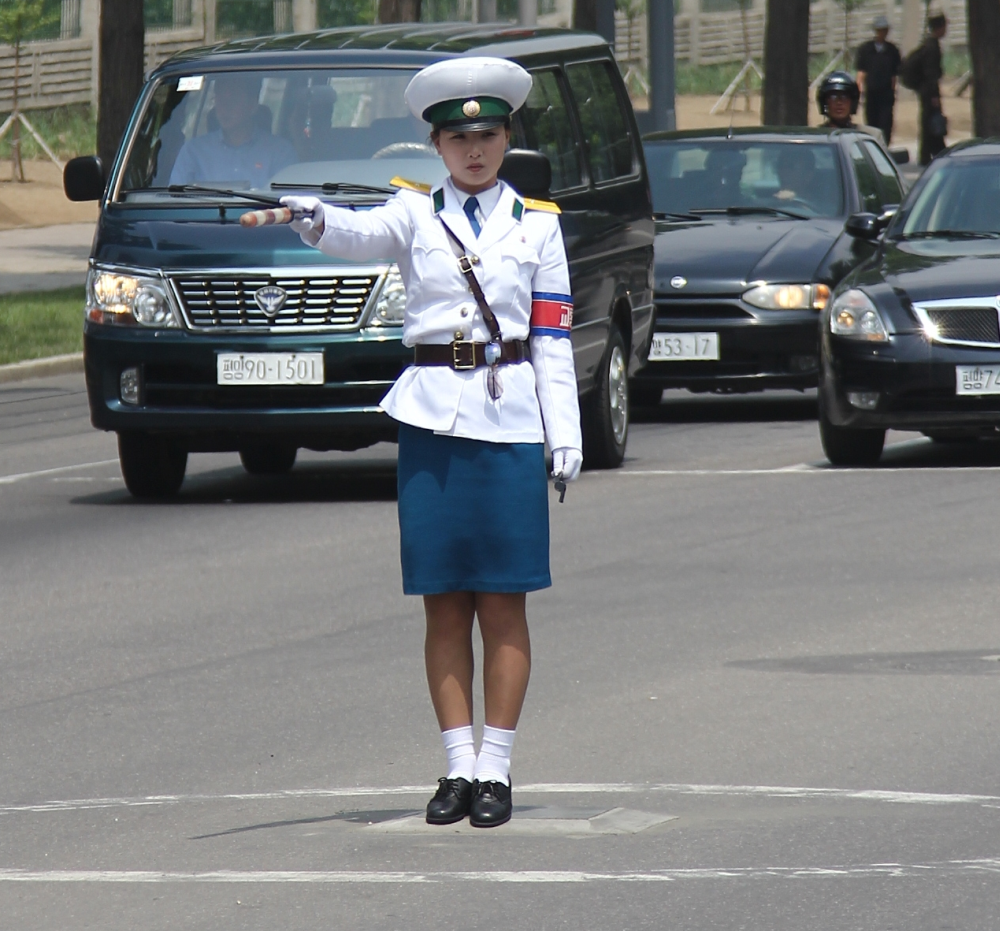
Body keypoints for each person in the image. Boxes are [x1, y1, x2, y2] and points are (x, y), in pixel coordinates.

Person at [280, 57, 583, 829]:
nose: (473, 149)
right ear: (436, 145)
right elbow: (361, 234)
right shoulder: (414, 213)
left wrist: (564, 434)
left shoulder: (539, 224)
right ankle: (456, 765)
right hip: (431, 421)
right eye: (457, 137)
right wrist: (315, 217)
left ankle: (498, 769)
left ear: (508, 136)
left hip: (509, 420)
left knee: (504, 604)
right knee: (444, 605)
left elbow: (551, 339)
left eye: (486, 133)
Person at [169, 73, 298, 188]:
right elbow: (174, 201)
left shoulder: (280, 152)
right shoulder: (193, 151)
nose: (225, 108)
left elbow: (286, 204)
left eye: (233, 100)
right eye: (221, 100)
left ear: (252, 106)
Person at [855, 14, 901, 144]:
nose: (882, 33)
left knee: (886, 123)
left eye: (885, 30)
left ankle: (885, 146)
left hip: (886, 93)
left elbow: (894, 75)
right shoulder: (866, 49)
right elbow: (861, 71)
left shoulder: (892, 50)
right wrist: (859, 89)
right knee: (871, 121)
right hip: (871, 92)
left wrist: (893, 92)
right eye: (880, 30)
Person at [915, 12, 948, 165]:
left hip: (927, 91)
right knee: (931, 123)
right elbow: (931, 73)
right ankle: (929, 154)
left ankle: (933, 152)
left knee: (930, 122)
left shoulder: (929, 45)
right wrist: (934, 95)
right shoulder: (932, 47)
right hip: (930, 93)